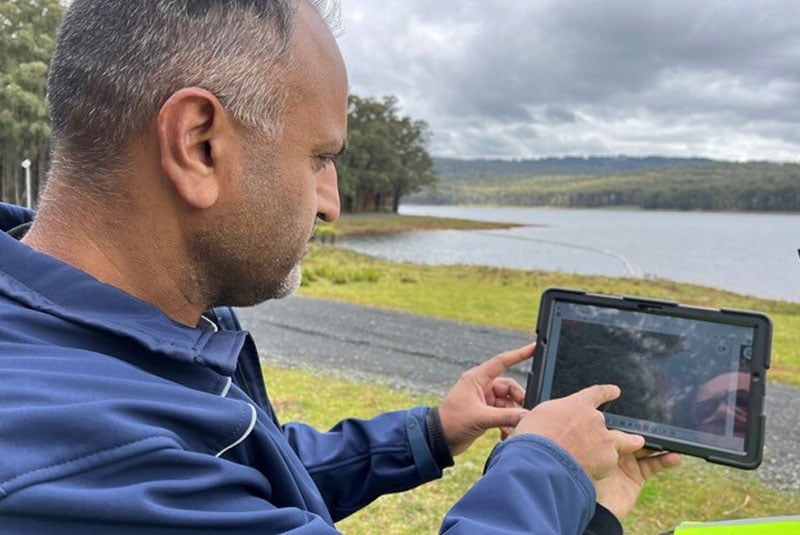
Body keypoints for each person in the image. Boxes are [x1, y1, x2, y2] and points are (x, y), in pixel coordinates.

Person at [0, 1, 680, 533]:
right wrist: (546, 464)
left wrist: (433, 432)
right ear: (199, 145)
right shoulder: (75, 463)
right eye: (320, 158)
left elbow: (245, 468)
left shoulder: (113, 341)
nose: (331, 204)